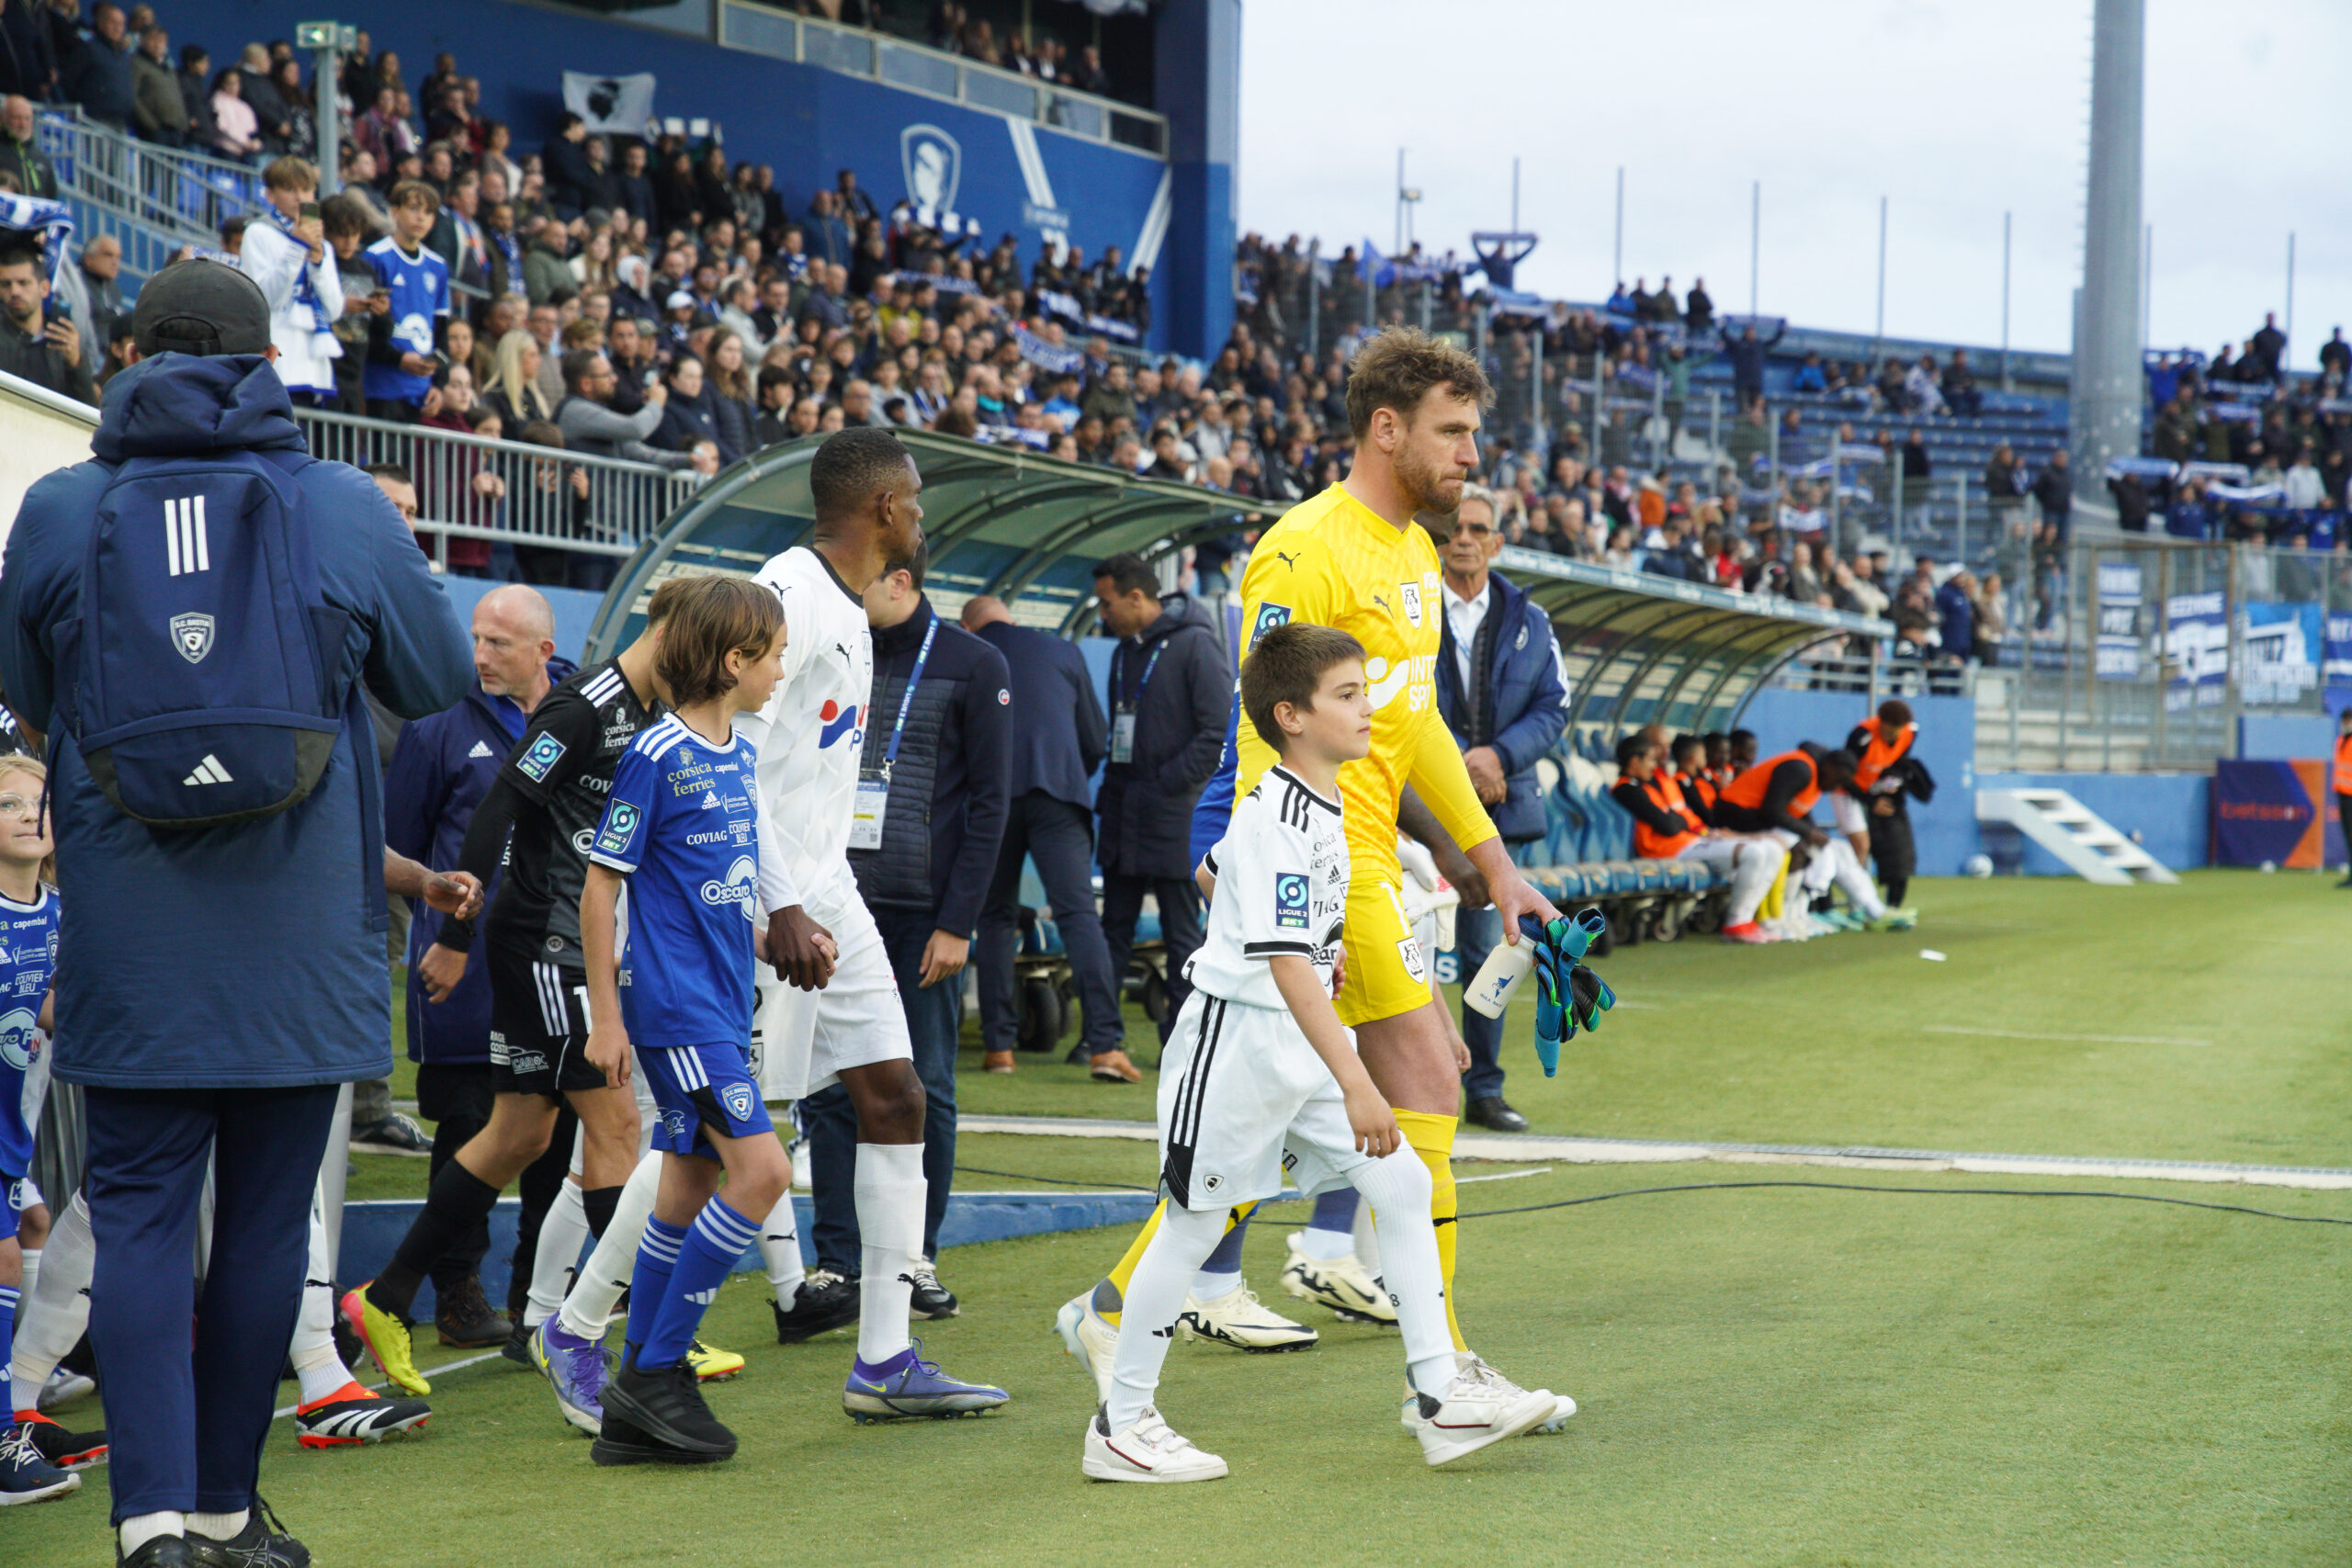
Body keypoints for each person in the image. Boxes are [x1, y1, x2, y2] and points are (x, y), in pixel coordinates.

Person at [0, 258, 472, 1566]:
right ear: (268, 363)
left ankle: (150, 1522)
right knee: (269, 1226)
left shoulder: (57, 505)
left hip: (134, 934)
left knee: (140, 1209)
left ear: (136, 353)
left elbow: (30, 696)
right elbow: (434, 675)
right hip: (302, 934)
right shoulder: (333, 501)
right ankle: (224, 1507)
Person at [1055, 328, 1569, 1428]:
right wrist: (1281, 881)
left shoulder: (1421, 557)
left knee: (1300, 1113)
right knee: (1421, 1082)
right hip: (1319, 865)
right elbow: (1266, 727)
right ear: (1387, 430)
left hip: (1376, 858)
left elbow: (1416, 721)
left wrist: (1489, 858)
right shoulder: (1303, 549)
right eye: (1452, 432)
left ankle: (1115, 1311)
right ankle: (1445, 1375)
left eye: (1472, 434)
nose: (1469, 456)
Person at [1085, 622, 1556, 1483]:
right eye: (1347, 694)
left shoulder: (1317, 800)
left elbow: (1228, 880)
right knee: (1190, 1228)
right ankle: (1121, 1423)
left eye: (1364, 689)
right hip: (1238, 1046)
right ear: (1290, 715)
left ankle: (1440, 1395)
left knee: (1404, 1180)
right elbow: (1286, 964)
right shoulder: (1275, 808)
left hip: (1297, 1042)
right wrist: (1356, 1078)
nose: (1367, 707)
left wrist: (1287, 938)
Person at [348, 589, 739, 1403]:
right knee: (618, 1123)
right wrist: (457, 937)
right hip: (549, 944)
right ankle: (626, 1331)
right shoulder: (586, 706)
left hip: (552, 939)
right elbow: (499, 808)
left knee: (518, 1134)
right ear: (670, 637)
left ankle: (382, 1299)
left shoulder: (642, 707)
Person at [745, 427, 1009, 1418]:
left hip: (830, 891)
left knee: (896, 1097)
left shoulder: (851, 611)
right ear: (885, 509)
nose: (923, 521)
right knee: (706, 1139)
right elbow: (729, 758)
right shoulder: (789, 597)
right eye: (918, 504)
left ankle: (885, 1361)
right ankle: (588, 1327)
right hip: (760, 900)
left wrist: (818, 896)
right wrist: (779, 904)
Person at [578, 576, 788, 1464]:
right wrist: (606, 1019)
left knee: (690, 1185)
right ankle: (658, 1371)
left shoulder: (738, 751)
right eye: (774, 654)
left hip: (720, 1006)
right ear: (735, 660)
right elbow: (600, 885)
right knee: (764, 1172)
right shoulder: (655, 754)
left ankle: (634, 1394)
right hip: (676, 1012)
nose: (782, 670)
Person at [801, 543, 1010, 1319]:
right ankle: (837, 1263)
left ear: (902, 581)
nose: (851, 598)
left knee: (925, 1083)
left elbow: (991, 803)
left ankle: (915, 1256)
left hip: (927, 917)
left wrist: (958, 922)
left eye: (864, 584)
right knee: (828, 1084)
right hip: (835, 902)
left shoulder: (974, 662)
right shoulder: (834, 652)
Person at [382, 586, 568, 1350]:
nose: (482, 656)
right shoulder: (436, 729)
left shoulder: (580, 712)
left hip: (556, 965)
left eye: (500, 643)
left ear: (543, 653)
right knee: (468, 1129)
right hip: (461, 975)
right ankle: (456, 1291)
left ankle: (536, 1292)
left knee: (555, 1136)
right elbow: (396, 847)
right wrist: (446, 927)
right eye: (477, 640)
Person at [1430, 485, 1566, 1131]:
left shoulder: (1530, 619)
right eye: (1453, 526)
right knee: (1413, 945)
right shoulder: (1412, 602)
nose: (1463, 536)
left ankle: (1483, 1088)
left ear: (1496, 542)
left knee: (1492, 949)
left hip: (1499, 809)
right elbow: (1397, 691)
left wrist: (1498, 756)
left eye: (1477, 527)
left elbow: (1555, 707)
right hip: (1419, 809)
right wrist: (1461, 760)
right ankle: (1418, 1083)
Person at [962, 593, 1133, 1080]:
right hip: (1058, 792)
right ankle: (1104, 1045)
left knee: (994, 917)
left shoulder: (967, 650)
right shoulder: (1061, 650)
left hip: (991, 800)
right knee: (1079, 915)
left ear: (970, 626)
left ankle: (999, 1049)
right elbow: (1096, 739)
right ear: (1011, 618)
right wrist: (1064, 772)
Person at [1090, 552, 1227, 1049]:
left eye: (1107, 604)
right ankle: (1102, 1037)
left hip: (1175, 817)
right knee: (1113, 931)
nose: (1102, 614)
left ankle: (1181, 1039)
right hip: (1126, 813)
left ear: (1136, 597)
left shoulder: (1196, 645)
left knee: (1181, 935)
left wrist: (1166, 784)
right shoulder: (1126, 650)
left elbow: (1216, 733)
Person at [1713, 744, 1914, 931]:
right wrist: (1808, 833)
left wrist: (1813, 832)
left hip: (1758, 821)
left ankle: (1872, 909)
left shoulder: (1816, 777)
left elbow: (1795, 814)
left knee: (1838, 849)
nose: (1837, 787)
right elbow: (1771, 811)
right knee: (1804, 847)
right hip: (1735, 817)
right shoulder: (1800, 769)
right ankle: (1783, 916)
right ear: (1831, 767)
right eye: (1839, 780)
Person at [1610, 735, 1785, 944]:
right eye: (1649, 759)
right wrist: (1678, 821)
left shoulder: (1646, 786)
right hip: (1667, 850)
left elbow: (1676, 820)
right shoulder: (1626, 789)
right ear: (1634, 762)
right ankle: (1735, 921)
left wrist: (1680, 823)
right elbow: (1669, 825)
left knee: (1772, 849)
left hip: (1687, 842)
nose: (1654, 765)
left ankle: (1747, 919)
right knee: (1754, 853)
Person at [238, 156, 345, 407]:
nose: (300, 197)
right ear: (270, 195)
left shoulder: (323, 245)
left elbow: (335, 310)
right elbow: (263, 299)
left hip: (315, 366)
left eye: (306, 190)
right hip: (279, 362)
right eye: (290, 190)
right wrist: (297, 249)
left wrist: (318, 264)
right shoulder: (258, 233)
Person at [361, 179, 450, 422]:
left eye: (428, 212)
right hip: (383, 385)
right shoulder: (376, 257)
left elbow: (441, 327)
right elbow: (364, 326)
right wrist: (398, 359)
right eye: (414, 209)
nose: (421, 217)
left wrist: (439, 385)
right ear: (395, 211)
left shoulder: (438, 266)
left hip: (422, 390)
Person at [1845, 699, 1933, 909]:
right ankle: (1856, 905)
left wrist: (1891, 782)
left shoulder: (1910, 733)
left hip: (1875, 793)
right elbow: (1843, 775)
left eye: (1897, 730)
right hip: (1849, 791)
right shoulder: (1861, 736)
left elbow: (1897, 762)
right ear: (1880, 723)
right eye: (1889, 729)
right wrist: (1870, 800)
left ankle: (1884, 906)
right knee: (1860, 845)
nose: (1893, 735)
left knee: (1897, 852)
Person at [0, 246, 94, 404]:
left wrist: (76, 365)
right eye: (6, 284)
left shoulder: (64, 339)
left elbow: (88, 408)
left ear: (44, 288)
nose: (15, 291)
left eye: (23, 283)